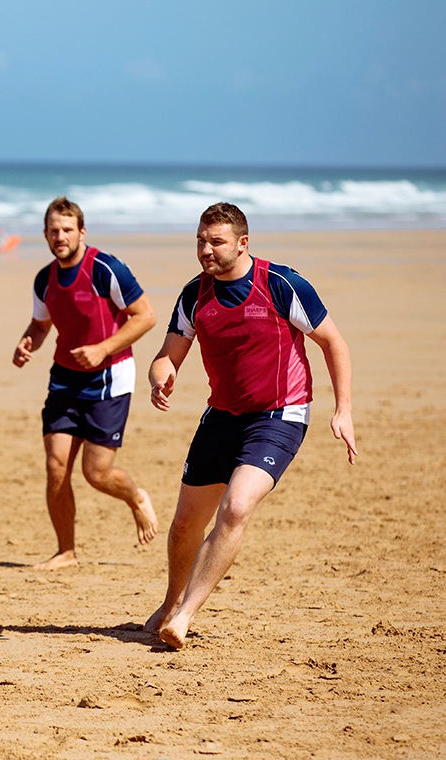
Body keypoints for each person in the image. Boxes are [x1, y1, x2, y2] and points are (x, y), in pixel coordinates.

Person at [145, 202, 357, 650]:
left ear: (243, 243)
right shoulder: (193, 295)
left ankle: (184, 616)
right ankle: (170, 602)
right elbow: (169, 354)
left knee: (237, 508)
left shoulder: (281, 284)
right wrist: (161, 373)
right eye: (201, 240)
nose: (206, 249)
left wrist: (344, 409)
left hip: (281, 413)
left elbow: (333, 342)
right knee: (185, 524)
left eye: (216, 242)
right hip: (221, 415)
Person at [12, 197, 159, 570]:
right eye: (53, 231)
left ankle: (135, 497)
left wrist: (102, 349)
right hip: (64, 378)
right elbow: (41, 324)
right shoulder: (44, 279)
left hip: (109, 378)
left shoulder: (105, 269)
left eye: (67, 230)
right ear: (45, 234)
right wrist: (28, 341)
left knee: (96, 474)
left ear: (81, 232)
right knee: (55, 467)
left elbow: (145, 317)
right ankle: (66, 551)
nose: (60, 237)